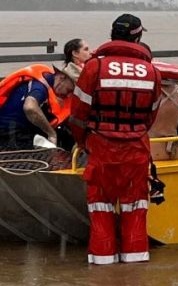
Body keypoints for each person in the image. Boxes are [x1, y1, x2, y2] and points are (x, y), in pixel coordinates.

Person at [69, 14, 162, 265]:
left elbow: (77, 116)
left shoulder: (94, 68)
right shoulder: (152, 72)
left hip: (101, 149)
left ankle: (102, 277)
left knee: (101, 212)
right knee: (136, 214)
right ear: (139, 37)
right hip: (136, 151)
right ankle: (133, 278)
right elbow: (151, 117)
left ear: (112, 34)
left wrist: (83, 142)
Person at [0, 40, 83, 148]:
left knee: (64, 135)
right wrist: (51, 133)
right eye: (69, 90)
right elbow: (30, 107)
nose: (68, 95)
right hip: (8, 135)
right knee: (53, 137)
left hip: (23, 130)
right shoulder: (40, 86)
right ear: (62, 78)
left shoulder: (50, 83)